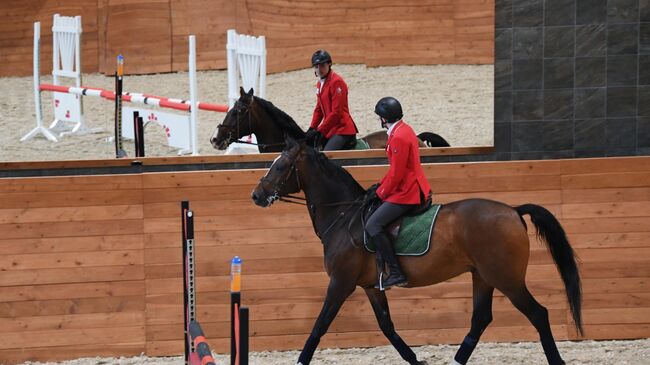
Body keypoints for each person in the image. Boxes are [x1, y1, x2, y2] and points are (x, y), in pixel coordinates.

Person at [365, 97, 432, 290]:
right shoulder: (404, 129)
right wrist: (378, 187)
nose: (380, 120)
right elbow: (394, 170)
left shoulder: (399, 137)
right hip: (408, 185)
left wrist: (381, 193)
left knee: (373, 224)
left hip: (408, 191)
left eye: (380, 117)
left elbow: (397, 174)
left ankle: (396, 273)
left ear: (384, 118)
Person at [305, 49, 358, 150]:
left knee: (327, 155)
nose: (319, 70)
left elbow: (336, 112)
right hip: (331, 128)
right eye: (316, 67)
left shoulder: (337, 82)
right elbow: (319, 109)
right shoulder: (320, 83)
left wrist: (320, 130)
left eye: (322, 66)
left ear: (329, 64)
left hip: (342, 129)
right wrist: (312, 128)